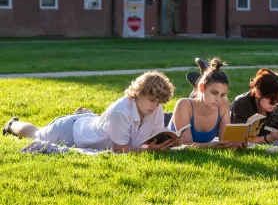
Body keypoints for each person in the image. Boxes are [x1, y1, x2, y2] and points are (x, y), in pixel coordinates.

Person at [3, 71, 177, 153]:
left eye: (159, 102)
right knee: (35, 133)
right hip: (70, 132)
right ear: (139, 93)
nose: (155, 107)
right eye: (152, 100)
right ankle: (12, 124)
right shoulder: (121, 111)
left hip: (90, 123)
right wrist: (147, 151)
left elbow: (154, 135)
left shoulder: (156, 109)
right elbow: (120, 148)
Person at [168, 57, 235, 148]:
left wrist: (237, 143)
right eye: (214, 93)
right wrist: (210, 145)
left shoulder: (223, 104)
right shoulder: (183, 105)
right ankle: (204, 72)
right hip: (169, 123)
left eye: (223, 95)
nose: (218, 99)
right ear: (202, 87)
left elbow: (225, 142)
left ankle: (205, 71)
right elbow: (186, 145)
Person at [230, 68, 278, 144]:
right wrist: (268, 138)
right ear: (258, 93)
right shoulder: (241, 104)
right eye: (272, 100)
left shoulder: (275, 105)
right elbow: (238, 139)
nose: (275, 104)